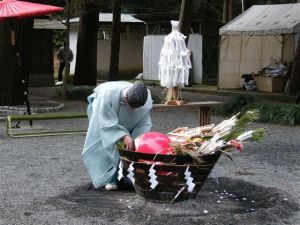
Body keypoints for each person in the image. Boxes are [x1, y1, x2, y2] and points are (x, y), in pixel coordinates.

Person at [82, 81, 153, 190]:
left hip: (126, 118)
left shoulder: (146, 98)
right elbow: (106, 124)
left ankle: (127, 174)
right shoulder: (107, 95)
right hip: (100, 111)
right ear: (126, 98)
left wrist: (137, 140)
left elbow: (144, 124)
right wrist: (123, 135)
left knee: (132, 146)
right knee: (105, 142)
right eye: (132, 106)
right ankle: (108, 179)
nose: (133, 109)